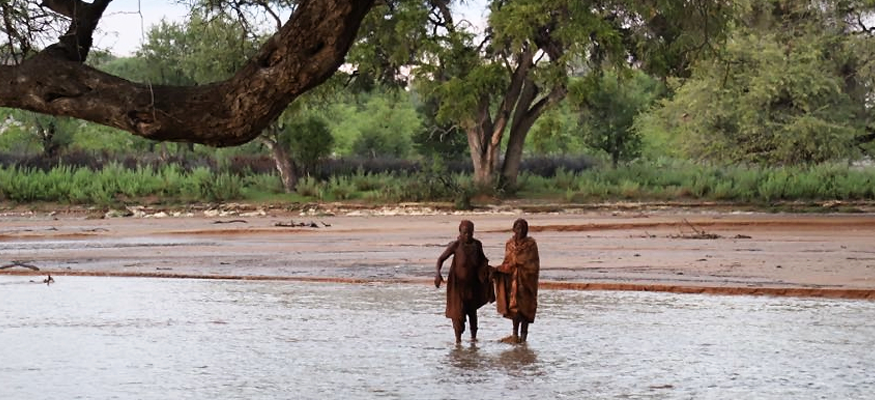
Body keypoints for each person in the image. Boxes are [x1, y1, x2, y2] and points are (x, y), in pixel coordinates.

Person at [435, 220, 494, 343]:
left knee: (472, 312)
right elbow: (440, 259)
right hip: (457, 286)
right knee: (458, 314)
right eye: (465, 233)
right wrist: (437, 273)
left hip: (472, 285)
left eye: (470, 233)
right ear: (460, 233)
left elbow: (483, 261)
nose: (468, 235)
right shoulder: (455, 245)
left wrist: (487, 273)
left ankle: (473, 339)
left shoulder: (477, 245)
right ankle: (458, 342)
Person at [493, 218, 540, 343]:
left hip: (527, 282)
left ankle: (524, 337)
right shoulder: (509, 244)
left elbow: (533, 264)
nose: (521, 231)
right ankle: (514, 335)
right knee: (514, 308)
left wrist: (518, 264)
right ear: (514, 229)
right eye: (518, 228)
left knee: (526, 309)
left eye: (524, 229)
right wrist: (499, 269)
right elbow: (507, 262)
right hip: (513, 281)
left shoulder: (531, 245)